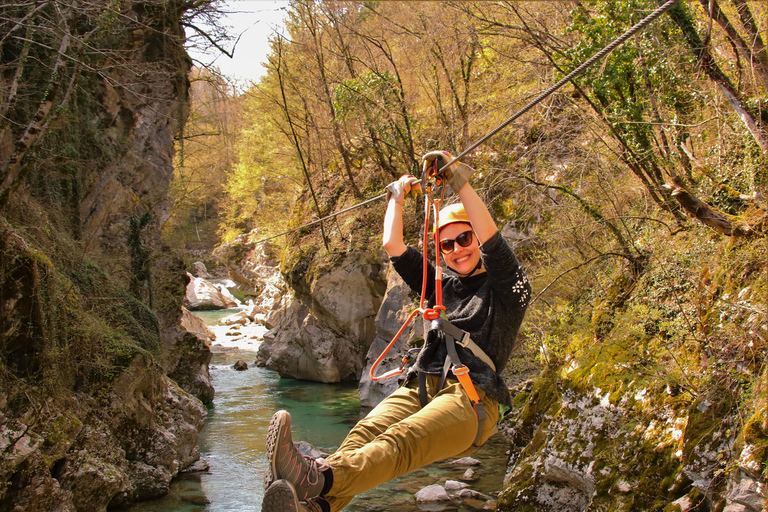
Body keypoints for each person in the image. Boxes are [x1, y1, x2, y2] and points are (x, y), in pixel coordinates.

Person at [261, 151, 531, 512]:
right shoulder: (440, 284)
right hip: (425, 384)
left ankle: (314, 478)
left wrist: (457, 180)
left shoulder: (508, 290)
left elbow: (494, 242)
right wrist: (395, 198)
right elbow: (394, 246)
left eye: (464, 239)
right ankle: (317, 507)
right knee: (365, 433)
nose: (456, 250)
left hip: (472, 398)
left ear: (476, 239)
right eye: (446, 245)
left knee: (401, 441)